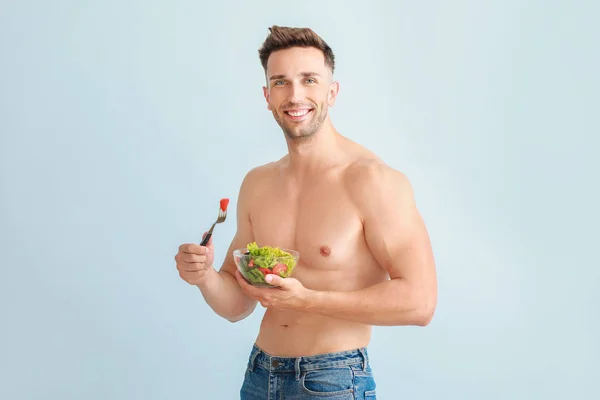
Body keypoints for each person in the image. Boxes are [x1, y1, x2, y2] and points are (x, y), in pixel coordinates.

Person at [175, 25, 438, 399]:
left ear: (332, 91)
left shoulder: (372, 180)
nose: (295, 95)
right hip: (259, 375)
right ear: (267, 96)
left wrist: (307, 299)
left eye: (309, 79)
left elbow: (421, 302)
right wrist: (203, 277)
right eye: (281, 82)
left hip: (332, 379)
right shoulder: (258, 182)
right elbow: (237, 305)